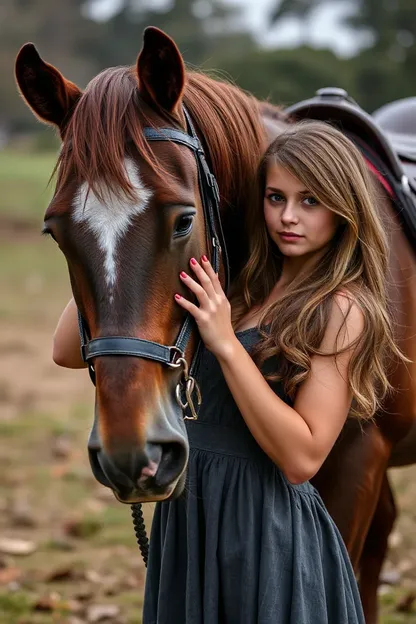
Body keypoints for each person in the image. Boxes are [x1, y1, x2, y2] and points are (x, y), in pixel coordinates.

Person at [53, 120, 402, 623]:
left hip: (266, 532)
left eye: (311, 201)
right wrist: (121, 234)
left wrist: (225, 345)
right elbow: (66, 350)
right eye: (276, 197)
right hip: (192, 516)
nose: (288, 217)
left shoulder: (340, 309)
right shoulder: (237, 287)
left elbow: (303, 457)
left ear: (343, 210)